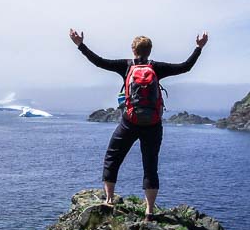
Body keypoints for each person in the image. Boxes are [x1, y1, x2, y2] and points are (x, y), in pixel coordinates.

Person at [69, 29, 208, 220]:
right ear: (149, 51)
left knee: (113, 156)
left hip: (129, 121)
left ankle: (109, 199)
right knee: (150, 165)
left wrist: (80, 45)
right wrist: (199, 48)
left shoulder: (126, 66)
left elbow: (99, 61)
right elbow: (185, 67)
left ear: (133, 50)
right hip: (153, 123)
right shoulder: (156, 67)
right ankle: (149, 210)